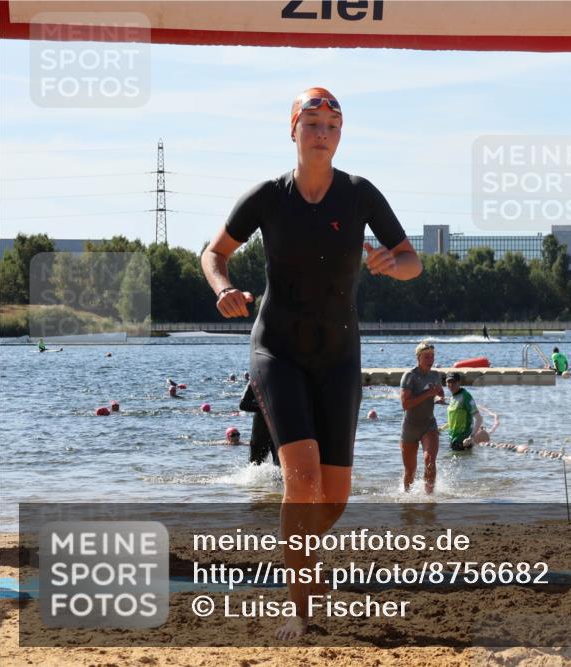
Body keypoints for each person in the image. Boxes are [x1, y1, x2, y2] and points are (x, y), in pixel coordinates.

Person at [201, 87, 421, 640]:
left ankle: (295, 556)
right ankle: (298, 611)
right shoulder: (268, 197)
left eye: (332, 124)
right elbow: (213, 252)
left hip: (340, 355)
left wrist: (393, 265)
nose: (322, 133)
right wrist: (222, 287)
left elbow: (413, 260)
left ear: (340, 135)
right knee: (301, 481)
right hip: (278, 350)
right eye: (312, 123)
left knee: (336, 497)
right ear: (293, 129)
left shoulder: (360, 194)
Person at [400, 341, 443, 492]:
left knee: (429, 461)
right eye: (426, 357)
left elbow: (439, 394)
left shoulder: (435, 375)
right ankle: (406, 500)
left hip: (428, 425)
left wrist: (439, 398)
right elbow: (405, 404)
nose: (430, 360)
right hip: (410, 427)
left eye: (432, 357)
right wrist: (427, 395)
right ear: (418, 358)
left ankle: (429, 499)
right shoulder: (410, 376)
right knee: (410, 472)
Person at [444, 372, 483, 451]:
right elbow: (453, 420)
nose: (451, 384)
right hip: (453, 439)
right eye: (449, 382)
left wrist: (471, 437)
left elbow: (479, 418)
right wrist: (441, 429)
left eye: (454, 382)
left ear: (459, 383)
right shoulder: (453, 397)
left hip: (464, 441)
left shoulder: (465, 396)